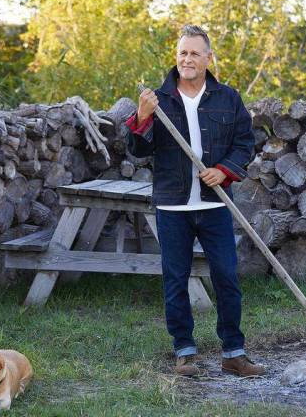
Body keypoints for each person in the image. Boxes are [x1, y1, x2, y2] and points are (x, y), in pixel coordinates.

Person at [125, 25, 264, 377]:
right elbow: (138, 152)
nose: (187, 59)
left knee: (227, 277)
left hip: (214, 204)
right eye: (182, 53)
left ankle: (234, 352)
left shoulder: (228, 98)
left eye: (194, 53)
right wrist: (141, 118)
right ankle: (185, 353)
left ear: (208, 58)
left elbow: (245, 143)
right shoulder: (158, 100)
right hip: (172, 206)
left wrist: (224, 171)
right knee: (175, 279)